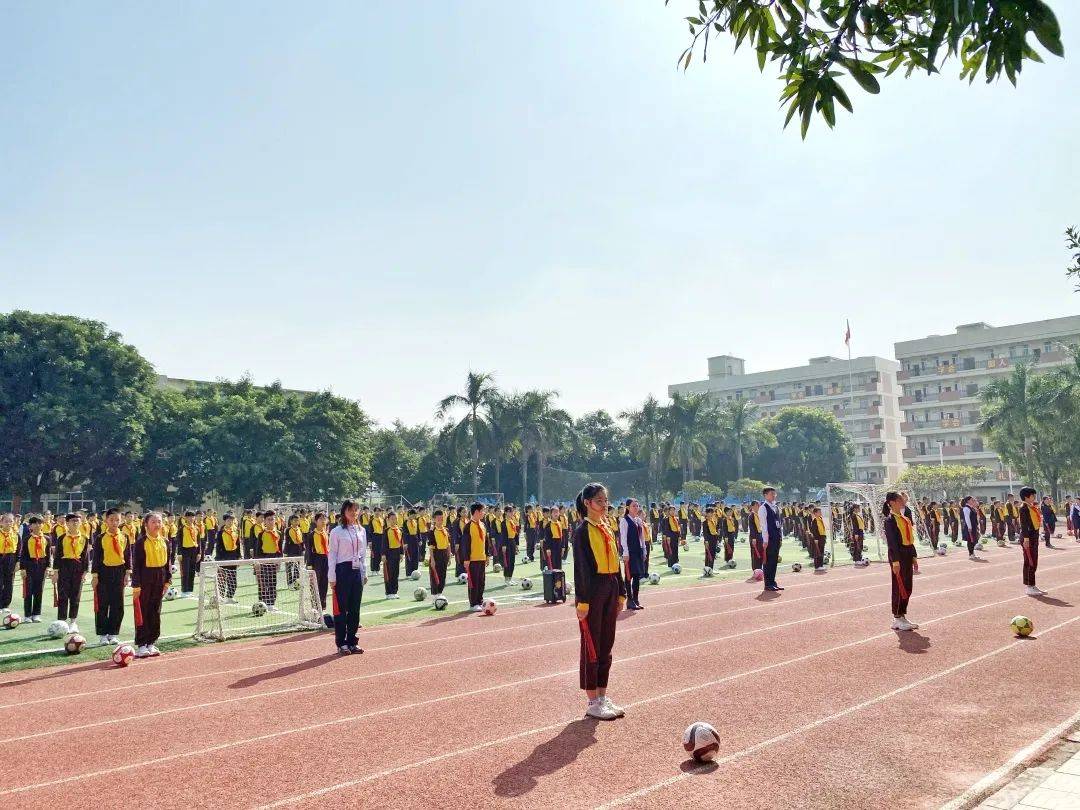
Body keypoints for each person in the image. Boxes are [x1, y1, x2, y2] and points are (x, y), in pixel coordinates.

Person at [573, 483, 626, 721]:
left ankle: (603, 697)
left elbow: (616, 562)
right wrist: (582, 602)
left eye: (606, 500)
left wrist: (622, 592)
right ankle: (592, 700)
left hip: (611, 586)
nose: (604, 505)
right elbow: (581, 570)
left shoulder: (607, 527)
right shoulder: (583, 531)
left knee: (607, 644)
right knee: (592, 646)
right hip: (593, 591)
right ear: (587, 503)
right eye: (599, 501)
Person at [327, 499, 367, 654]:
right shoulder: (336, 531)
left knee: (355, 609)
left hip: (356, 570)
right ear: (344, 511)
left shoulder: (361, 530)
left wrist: (364, 573)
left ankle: (352, 641)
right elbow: (332, 555)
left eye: (356, 510)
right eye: (350, 509)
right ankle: (341, 643)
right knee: (341, 609)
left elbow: (363, 554)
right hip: (342, 571)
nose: (353, 512)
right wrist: (332, 577)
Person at [132, 512, 171, 658]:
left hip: (160, 577)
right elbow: (136, 565)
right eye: (153, 522)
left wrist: (167, 581)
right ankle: (142, 644)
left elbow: (168, 564)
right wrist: (136, 585)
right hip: (145, 578)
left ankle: (151, 642)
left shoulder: (165, 541)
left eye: (159, 522)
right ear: (146, 524)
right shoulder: (141, 542)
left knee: (156, 610)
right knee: (143, 610)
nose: (157, 525)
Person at [91, 507, 131, 644]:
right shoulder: (100, 538)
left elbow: (127, 556)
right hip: (104, 573)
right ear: (106, 520)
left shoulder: (124, 537)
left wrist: (127, 573)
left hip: (119, 572)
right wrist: (95, 576)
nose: (115, 523)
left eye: (117, 520)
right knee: (103, 603)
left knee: (118, 604)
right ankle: (102, 634)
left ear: (121, 521)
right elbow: (96, 558)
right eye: (112, 520)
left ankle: (113, 633)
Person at [883, 491, 918, 631]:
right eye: (899, 498)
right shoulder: (890, 520)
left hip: (908, 553)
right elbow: (892, 543)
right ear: (892, 502)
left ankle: (902, 615)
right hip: (898, 555)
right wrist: (895, 562)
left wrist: (914, 557)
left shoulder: (904, 518)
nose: (903, 500)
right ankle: (897, 617)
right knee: (899, 586)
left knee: (907, 586)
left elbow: (910, 539)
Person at [53, 513, 88, 633]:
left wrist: (84, 572)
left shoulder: (84, 538)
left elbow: (85, 556)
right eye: (73, 521)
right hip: (64, 566)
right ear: (67, 523)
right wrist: (56, 572)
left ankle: (73, 621)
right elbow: (57, 555)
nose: (76, 523)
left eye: (78, 521)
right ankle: (62, 621)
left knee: (75, 595)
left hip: (78, 566)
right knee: (63, 594)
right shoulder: (62, 538)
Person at [19, 515, 50, 622]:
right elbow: (23, 554)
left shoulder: (47, 538)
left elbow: (48, 555)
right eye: (35, 523)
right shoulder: (27, 538)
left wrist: (48, 568)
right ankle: (27, 615)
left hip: (41, 565)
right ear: (30, 526)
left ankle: (36, 613)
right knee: (28, 590)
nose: (37, 525)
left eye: (40, 523)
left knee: (39, 590)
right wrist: (22, 569)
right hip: (29, 565)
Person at [619, 499, 647, 611]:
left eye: (637, 506)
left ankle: (636, 599)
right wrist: (625, 553)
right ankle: (629, 600)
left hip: (638, 550)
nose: (636, 508)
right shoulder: (624, 521)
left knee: (637, 576)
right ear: (628, 508)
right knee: (629, 576)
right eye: (633, 506)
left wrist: (644, 550)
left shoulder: (638, 520)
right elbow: (623, 538)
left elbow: (642, 537)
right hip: (630, 552)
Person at [462, 503, 489, 612]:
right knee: (474, 582)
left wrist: (487, 555)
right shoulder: (468, 526)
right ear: (477, 512)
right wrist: (466, 559)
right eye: (483, 511)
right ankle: (473, 603)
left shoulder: (482, 524)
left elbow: (485, 541)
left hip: (481, 557)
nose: (484, 513)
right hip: (472, 559)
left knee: (481, 581)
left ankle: (480, 600)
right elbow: (466, 544)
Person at [1019, 486, 1045, 596]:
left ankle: (1032, 584)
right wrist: (1026, 539)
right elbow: (1024, 525)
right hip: (1028, 537)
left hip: (1033, 536)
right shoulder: (1024, 508)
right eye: (1032, 495)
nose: (1034, 497)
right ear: (1026, 497)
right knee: (1029, 561)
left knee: (1034, 560)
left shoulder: (1031, 507)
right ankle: (1029, 586)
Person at [757, 488, 784, 592]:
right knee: (768, 561)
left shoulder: (776, 507)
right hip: (768, 539)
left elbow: (779, 524)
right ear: (765, 495)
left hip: (776, 537)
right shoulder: (763, 508)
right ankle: (768, 584)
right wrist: (765, 540)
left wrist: (780, 537)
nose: (774, 495)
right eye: (771, 494)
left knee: (774, 561)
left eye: (774, 493)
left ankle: (773, 582)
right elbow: (763, 525)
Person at [427, 509, 451, 598]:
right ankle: (434, 595)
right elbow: (431, 546)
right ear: (434, 519)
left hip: (444, 554)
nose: (440, 521)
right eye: (438, 519)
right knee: (434, 575)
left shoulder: (446, 529)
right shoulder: (432, 531)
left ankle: (440, 593)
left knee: (443, 574)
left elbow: (448, 544)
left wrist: (449, 556)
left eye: (442, 519)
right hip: (436, 554)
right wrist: (432, 559)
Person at [0, 512, 17, 614]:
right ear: (1, 522)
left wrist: (18, 562)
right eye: (6, 521)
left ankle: (6, 604)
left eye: (11, 521)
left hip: (10, 558)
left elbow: (18, 549)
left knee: (9, 582)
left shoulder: (15, 534)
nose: (9, 523)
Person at [961, 496, 982, 560]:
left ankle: (972, 553)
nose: (973, 500)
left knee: (973, 540)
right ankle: (970, 554)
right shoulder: (966, 508)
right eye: (972, 500)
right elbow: (967, 518)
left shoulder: (972, 508)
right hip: (969, 527)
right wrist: (969, 527)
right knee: (970, 540)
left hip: (973, 526)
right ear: (968, 501)